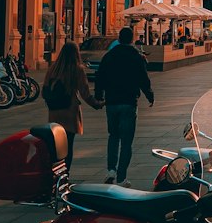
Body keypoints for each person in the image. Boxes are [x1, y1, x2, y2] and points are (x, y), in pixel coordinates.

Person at [94, 27, 154, 186]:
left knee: (113, 136)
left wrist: (99, 96)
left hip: (112, 102)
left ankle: (111, 170)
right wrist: (149, 94)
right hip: (129, 102)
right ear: (132, 39)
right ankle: (121, 177)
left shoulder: (109, 56)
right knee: (126, 142)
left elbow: (99, 77)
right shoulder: (136, 56)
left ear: (119, 39)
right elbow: (143, 78)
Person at [41, 40, 101, 171]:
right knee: (67, 147)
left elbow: (44, 89)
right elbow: (85, 93)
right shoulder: (77, 69)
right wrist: (97, 104)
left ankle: (55, 174)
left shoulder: (53, 68)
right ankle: (65, 176)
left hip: (55, 112)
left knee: (57, 147)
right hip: (69, 112)